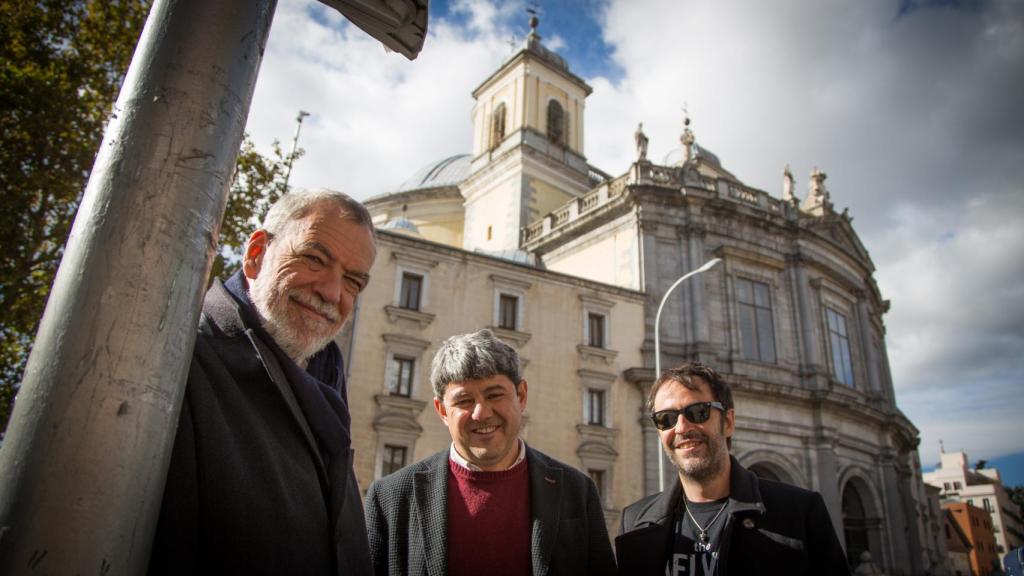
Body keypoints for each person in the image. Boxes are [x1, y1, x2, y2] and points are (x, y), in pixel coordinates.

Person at [148, 188, 377, 575]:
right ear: (256, 255)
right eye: (314, 258)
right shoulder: (175, 361)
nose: (332, 292)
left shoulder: (325, 379)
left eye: (353, 281)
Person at [364, 329, 617, 576]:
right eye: (464, 400)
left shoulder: (576, 491)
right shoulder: (390, 499)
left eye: (494, 395)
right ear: (442, 410)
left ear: (521, 396)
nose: (481, 413)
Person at [615, 363, 850, 575]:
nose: (681, 428)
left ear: (728, 422)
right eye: (666, 418)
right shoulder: (635, 524)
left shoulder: (800, 513)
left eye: (698, 412)